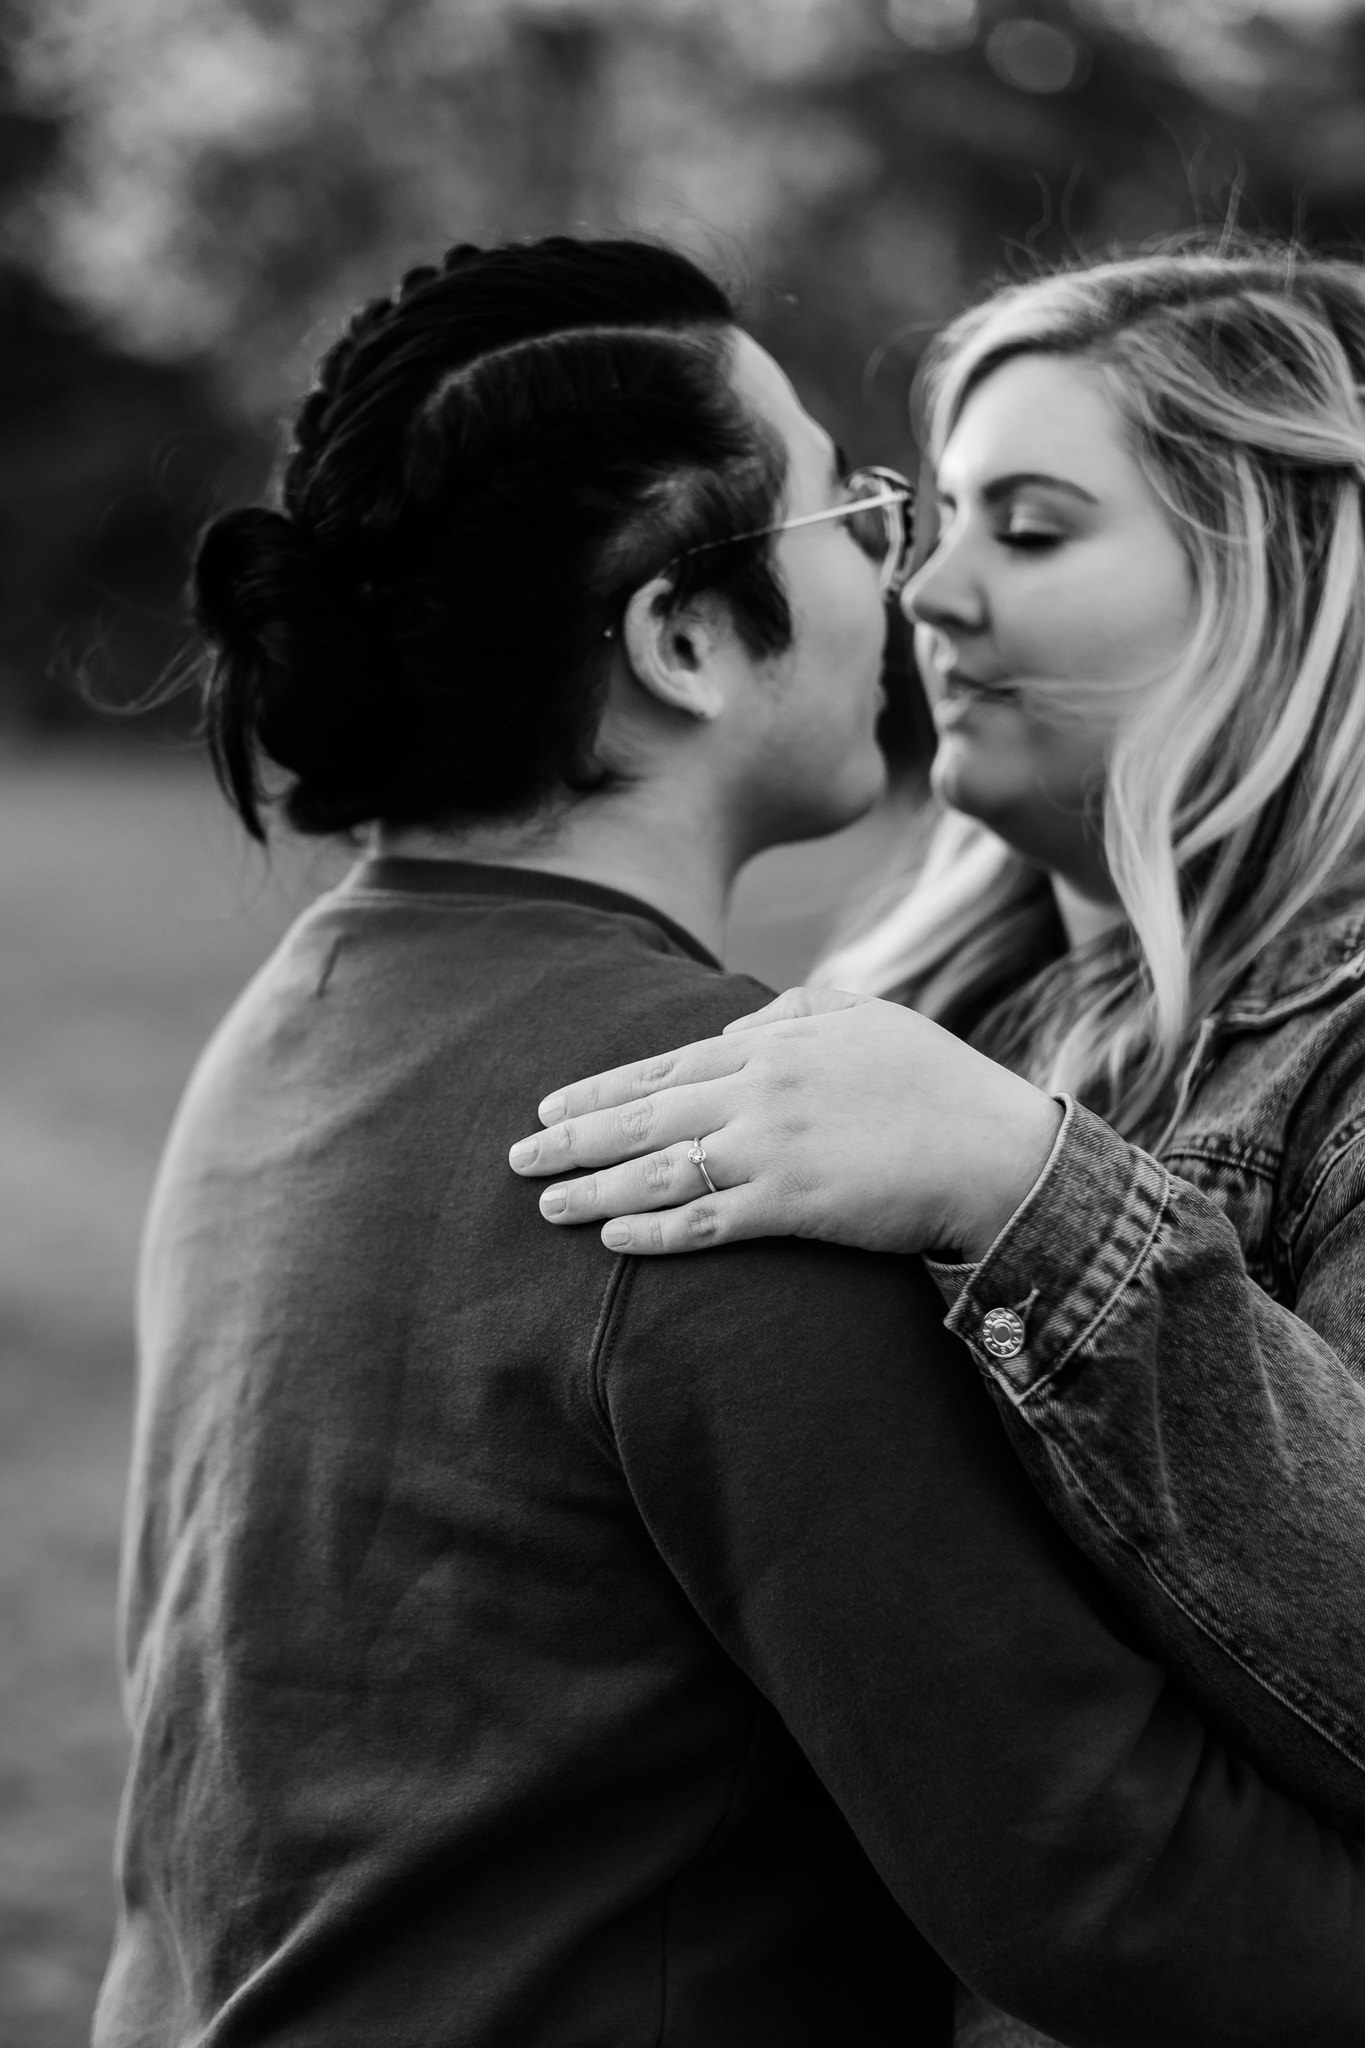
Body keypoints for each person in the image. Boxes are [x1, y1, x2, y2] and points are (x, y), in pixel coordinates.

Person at [96, 237, 1365, 2048]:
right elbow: (1106, 1872)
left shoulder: (310, 1013)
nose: (905, 572)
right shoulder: (735, 1126)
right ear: (685, 638)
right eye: (854, 513)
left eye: (1015, 523)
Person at [506, 247, 1365, 1853]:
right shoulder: (907, 1008)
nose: (926, 592)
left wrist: (1026, 1193)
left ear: (1287, 577)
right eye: (942, 521)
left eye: (1027, 529)